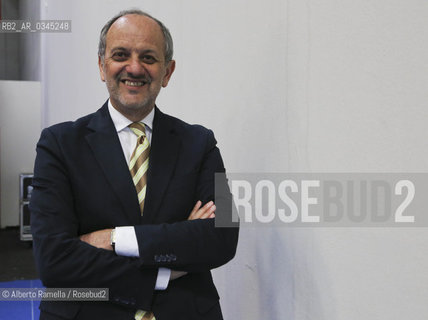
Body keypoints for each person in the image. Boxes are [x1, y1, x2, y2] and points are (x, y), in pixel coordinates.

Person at [30, 9, 239, 320]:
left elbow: (222, 238)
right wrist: (166, 268)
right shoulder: (58, 144)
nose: (134, 67)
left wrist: (114, 238)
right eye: (120, 54)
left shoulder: (201, 144)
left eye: (149, 57)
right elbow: (54, 259)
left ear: (167, 72)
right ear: (102, 66)